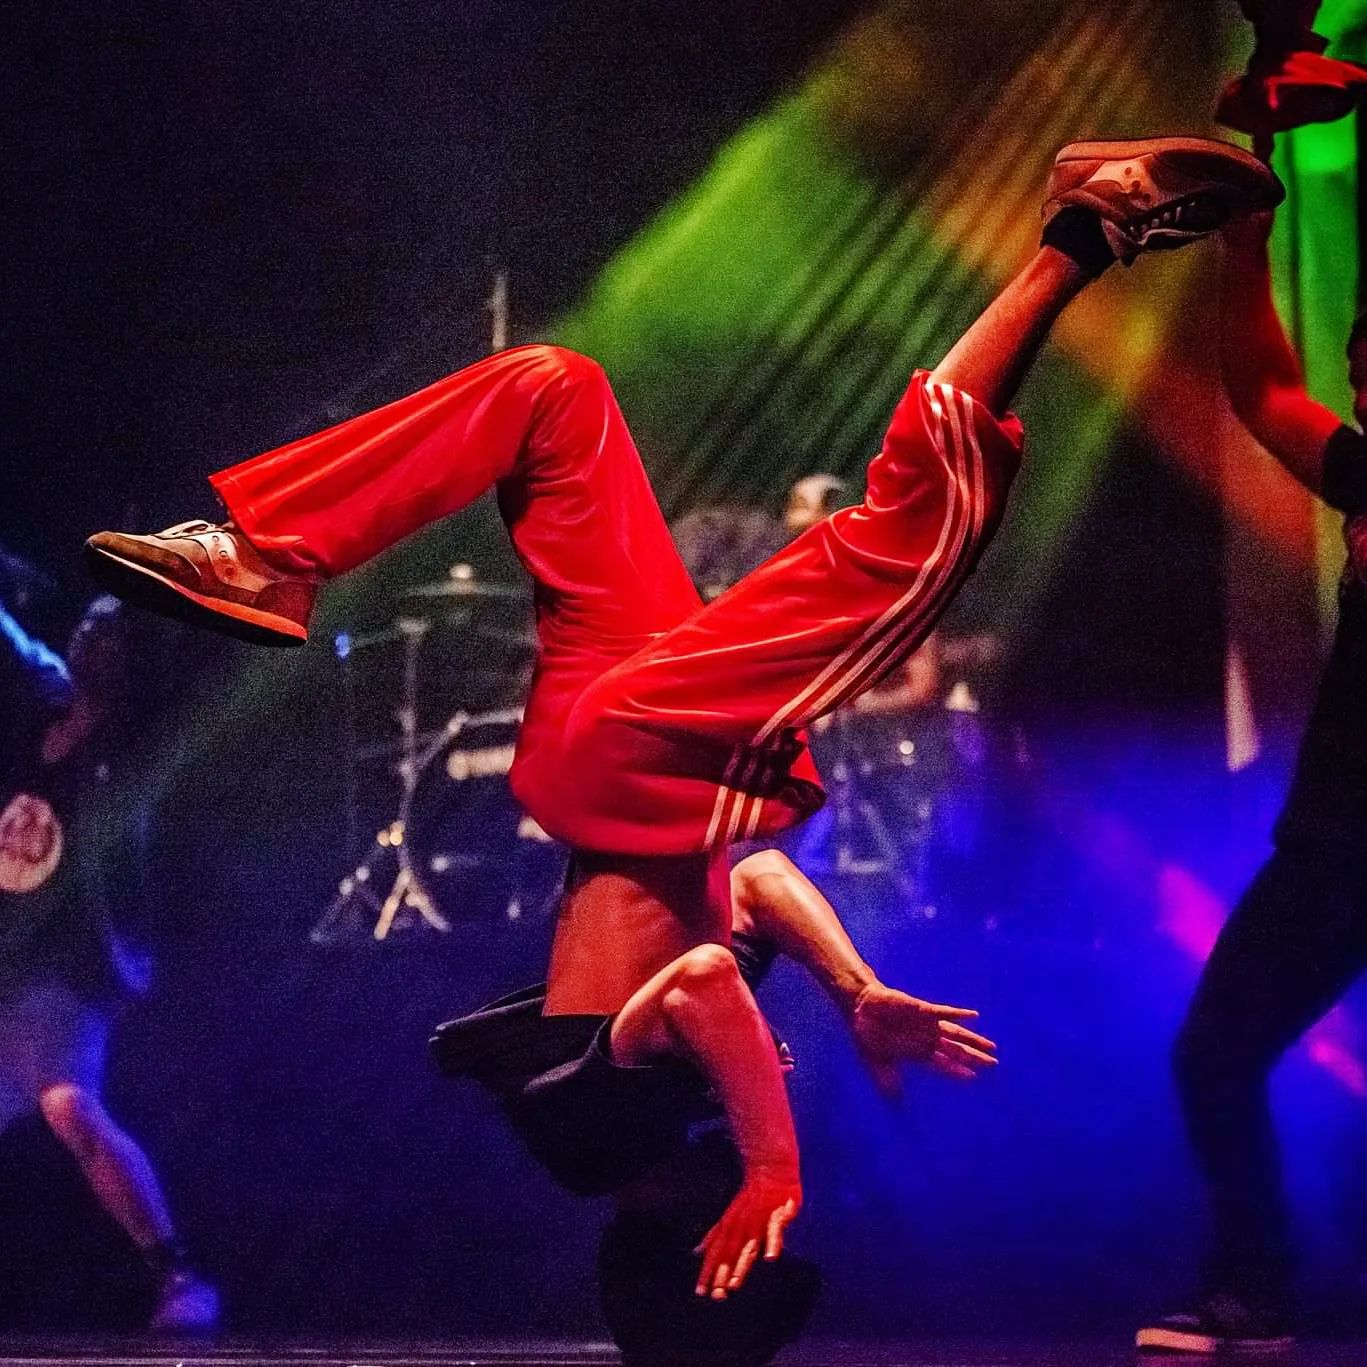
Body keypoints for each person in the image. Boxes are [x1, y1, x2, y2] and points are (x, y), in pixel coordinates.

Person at [84, 137, 1279, 1337]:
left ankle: (1082, 236)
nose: (774, 1228)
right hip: (607, 760)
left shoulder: (601, 1142)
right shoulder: (650, 1116)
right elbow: (749, 888)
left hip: (639, 766)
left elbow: (703, 983)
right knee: (550, 392)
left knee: (908, 541)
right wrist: (855, 987)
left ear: (707, 1251)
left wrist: (772, 1166)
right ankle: (268, 556)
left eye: (760, 1246)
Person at [0, 596, 219, 1333]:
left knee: (68, 1102)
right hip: (8, 963)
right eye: (88, 624)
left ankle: (177, 1274)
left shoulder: (127, 749)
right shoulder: (30, 723)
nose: (92, 635)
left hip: (64, 970)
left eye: (111, 631)